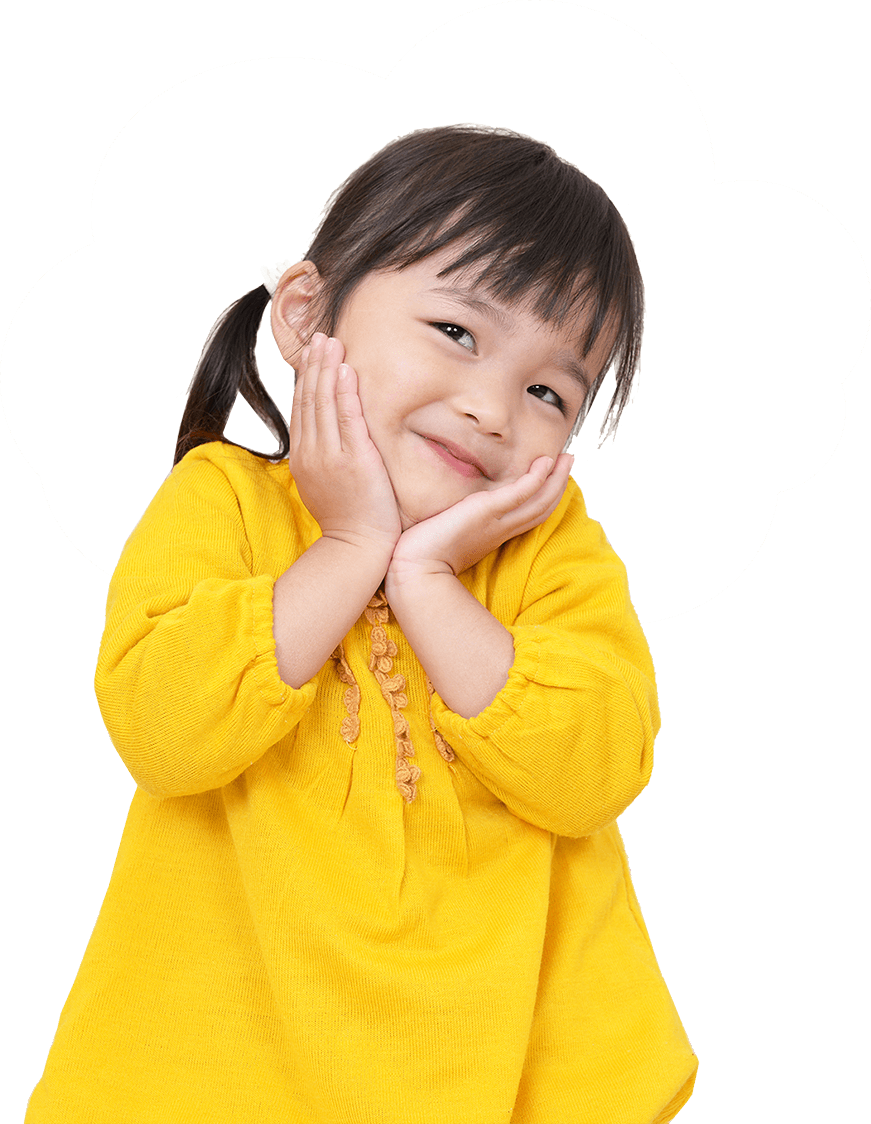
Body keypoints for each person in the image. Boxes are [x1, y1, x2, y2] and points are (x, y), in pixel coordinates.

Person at [24, 125, 698, 1124]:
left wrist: (425, 578)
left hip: (514, 1083)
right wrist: (348, 547)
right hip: (209, 1082)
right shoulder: (221, 498)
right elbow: (160, 727)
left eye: (549, 390)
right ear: (307, 314)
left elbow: (595, 768)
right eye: (457, 332)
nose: (490, 408)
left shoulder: (552, 549)